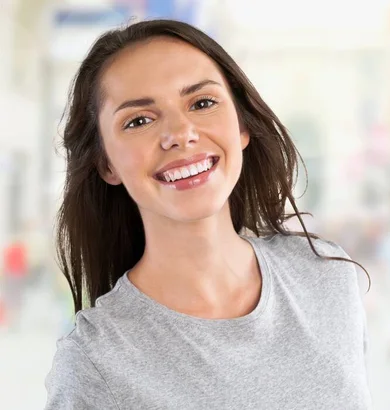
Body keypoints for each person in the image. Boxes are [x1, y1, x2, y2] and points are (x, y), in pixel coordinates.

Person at [44, 19, 371, 410]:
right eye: (139, 121)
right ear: (106, 164)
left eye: (202, 103)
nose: (181, 133)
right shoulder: (95, 364)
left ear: (242, 126)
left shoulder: (328, 277)